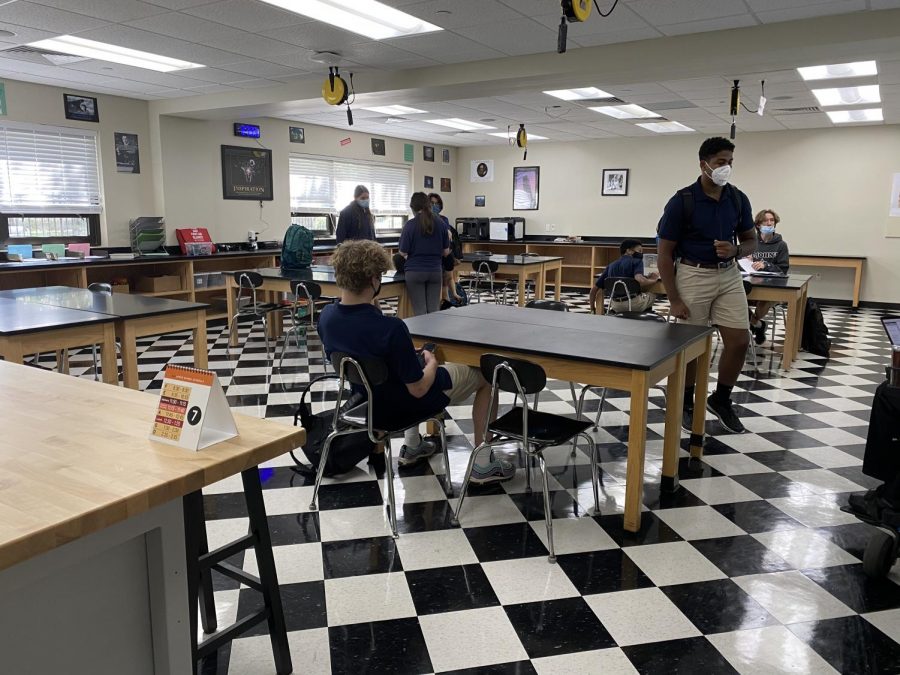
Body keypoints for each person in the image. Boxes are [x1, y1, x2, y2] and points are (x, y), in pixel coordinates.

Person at [317, 240, 514, 483]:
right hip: (404, 406)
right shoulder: (391, 328)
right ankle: (484, 464)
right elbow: (419, 388)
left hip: (368, 403)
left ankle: (412, 445)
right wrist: (431, 362)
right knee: (486, 374)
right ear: (373, 280)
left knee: (407, 370)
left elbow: (362, 349)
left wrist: (407, 357)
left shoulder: (326, 317)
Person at [657, 136, 757, 434]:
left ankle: (721, 399)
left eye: (730, 162)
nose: (726, 168)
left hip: (728, 275)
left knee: (739, 340)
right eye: (720, 162)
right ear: (704, 164)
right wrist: (674, 298)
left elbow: (751, 240)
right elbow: (664, 254)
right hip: (692, 275)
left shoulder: (737, 198)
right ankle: (686, 402)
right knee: (692, 348)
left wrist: (736, 250)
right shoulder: (682, 201)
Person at [398, 192, 450, 316]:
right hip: (435, 271)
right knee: (434, 312)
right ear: (428, 205)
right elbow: (446, 252)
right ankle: (434, 335)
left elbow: (403, 251)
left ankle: (419, 335)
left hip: (415, 272)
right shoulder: (441, 224)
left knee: (420, 312)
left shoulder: (409, 225)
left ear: (413, 208)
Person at [746, 209, 790, 344]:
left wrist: (766, 265)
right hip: (752, 283)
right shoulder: (752, 243)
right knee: (736, 299)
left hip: (772, 287)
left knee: (764, 301)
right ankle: (758, 325)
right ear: (758, 225)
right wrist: (747, 261)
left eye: (772, 221)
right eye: (766, 221)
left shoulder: (781, 245)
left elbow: (783, 269)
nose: (769, 223)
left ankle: (754, 324)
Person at [588, 239, 659, 314]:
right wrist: (653, 279)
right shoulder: (637, 261)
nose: (641, 254)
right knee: (652, 293)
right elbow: (640, 279)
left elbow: (593, 290)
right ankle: (643, 317)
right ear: (628, 251)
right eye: (639, 251)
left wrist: (592, 308)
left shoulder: (611, 266)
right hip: (634, 304)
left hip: (615, 305)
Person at [429, 192, 463, 306]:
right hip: (433, 256)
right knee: (440, 282)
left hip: (446, 253)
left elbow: (448, 236)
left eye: (437, 203)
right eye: (432, 203)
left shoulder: (444, 219)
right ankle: (445, 302)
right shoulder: (425, 220)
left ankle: (450, 298)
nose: (435, 206)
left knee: (447, 278)